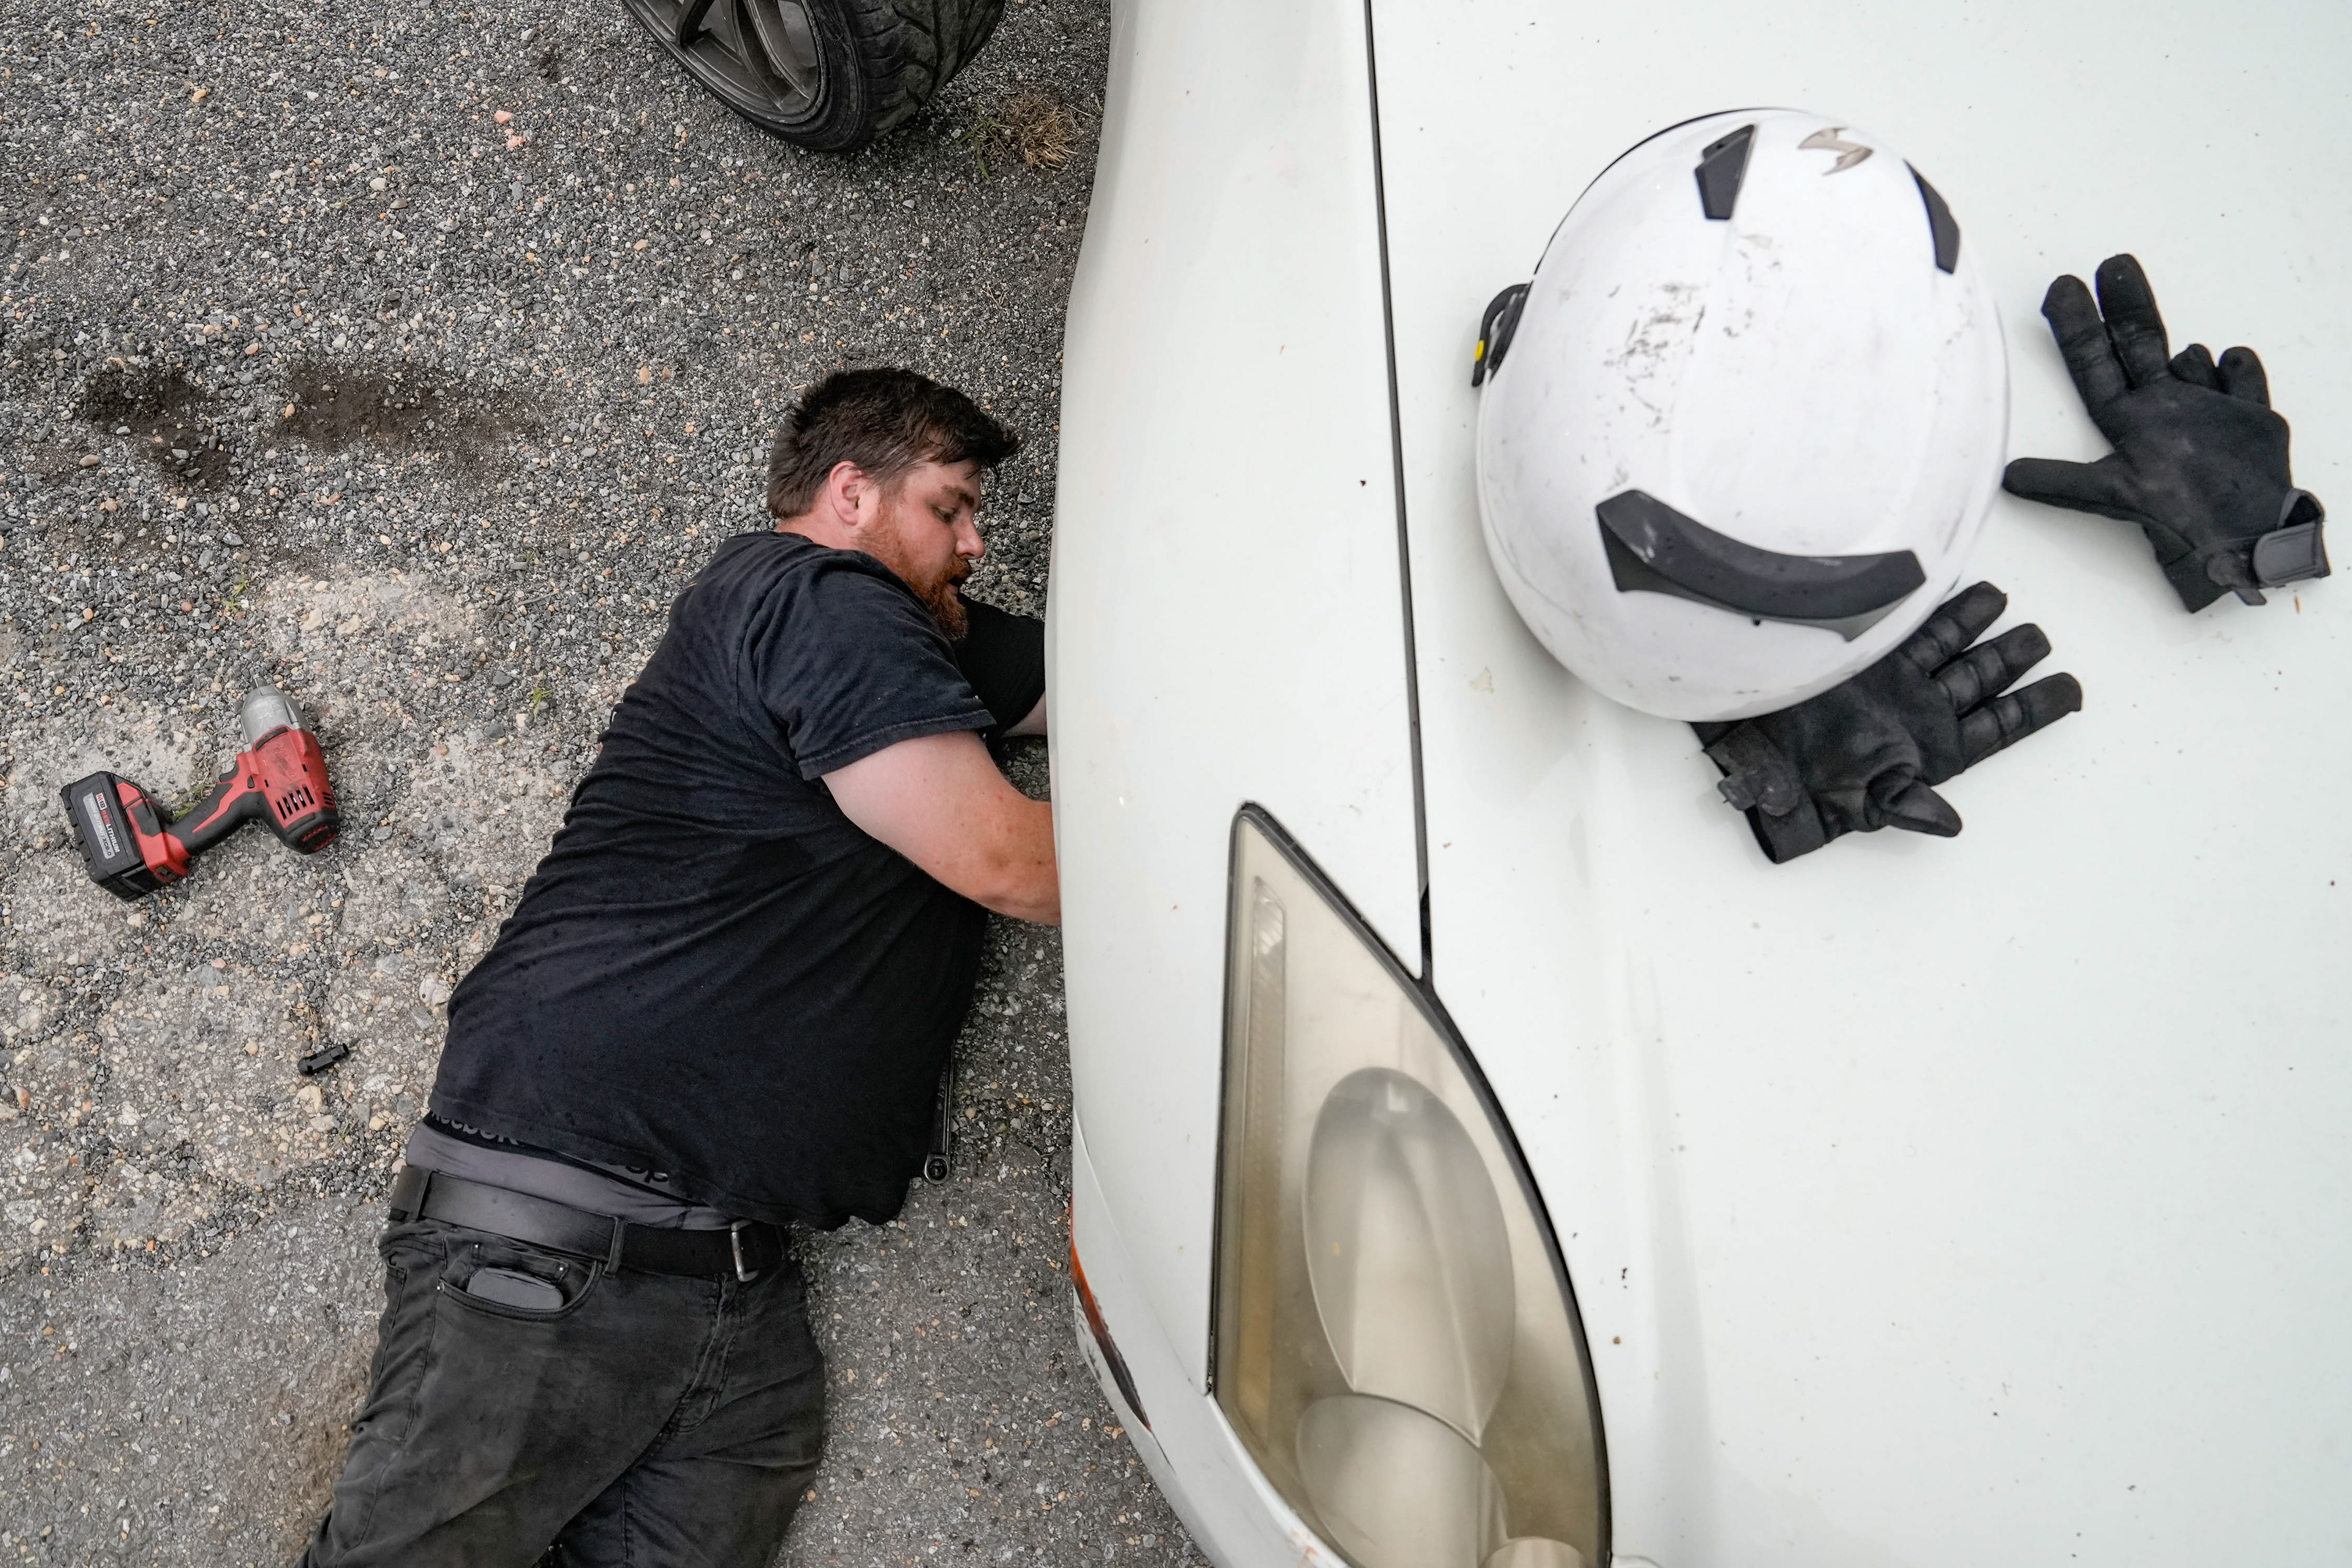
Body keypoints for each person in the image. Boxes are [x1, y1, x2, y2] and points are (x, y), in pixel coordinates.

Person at [300, 368, 1058, 1567]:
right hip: (554, 1248)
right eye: (951, 508)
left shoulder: (891, 642)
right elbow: (1009, 861)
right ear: (851, 492)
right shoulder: (820, 598)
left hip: (734, 1310)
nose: (973, 543)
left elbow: (1100, 692)